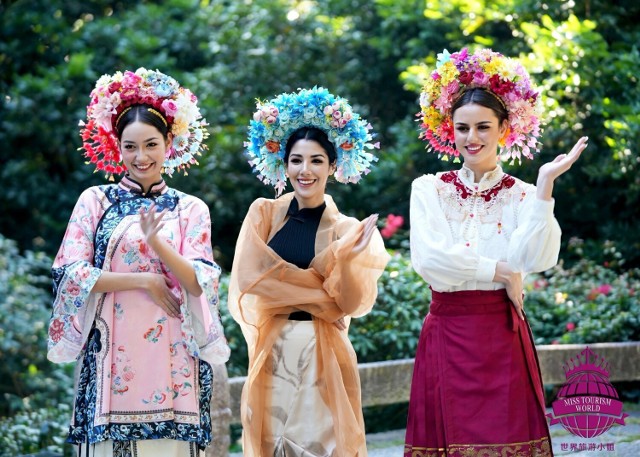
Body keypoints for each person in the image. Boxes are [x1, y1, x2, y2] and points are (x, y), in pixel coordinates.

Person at [404, 48, 588, 456]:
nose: (472, 138)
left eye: (483, 127)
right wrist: (501, 270)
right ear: (449, 130)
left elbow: (535, 259)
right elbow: (430, 263)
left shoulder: (524, 195)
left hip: (501, 335)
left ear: (505, 128)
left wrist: (544, 186)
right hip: (447, 332)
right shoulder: (428, 188)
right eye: (462, 128)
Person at [47, 68, 230, 456]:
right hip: (109, 361)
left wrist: (157, 246)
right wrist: (144, 281)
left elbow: (199, 282)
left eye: (150, 144)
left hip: (174, 361)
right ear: (118, 148)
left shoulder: (189, 208)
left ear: (169, 142)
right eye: (130, 147)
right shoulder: (95, 201)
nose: (140, 157)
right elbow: (71, 273)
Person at [228, 87, 390, 456]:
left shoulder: (348, 230)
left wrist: (347, 261)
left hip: (324, 352)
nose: (306, 170)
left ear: (333, 166)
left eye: (317, 161)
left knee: (322, 446)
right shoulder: (264, 216)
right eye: (296, 160)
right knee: (273, 444)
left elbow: (348, 304)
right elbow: (251, 283)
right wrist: (321, 293)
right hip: (275, 349)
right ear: (283, 165)